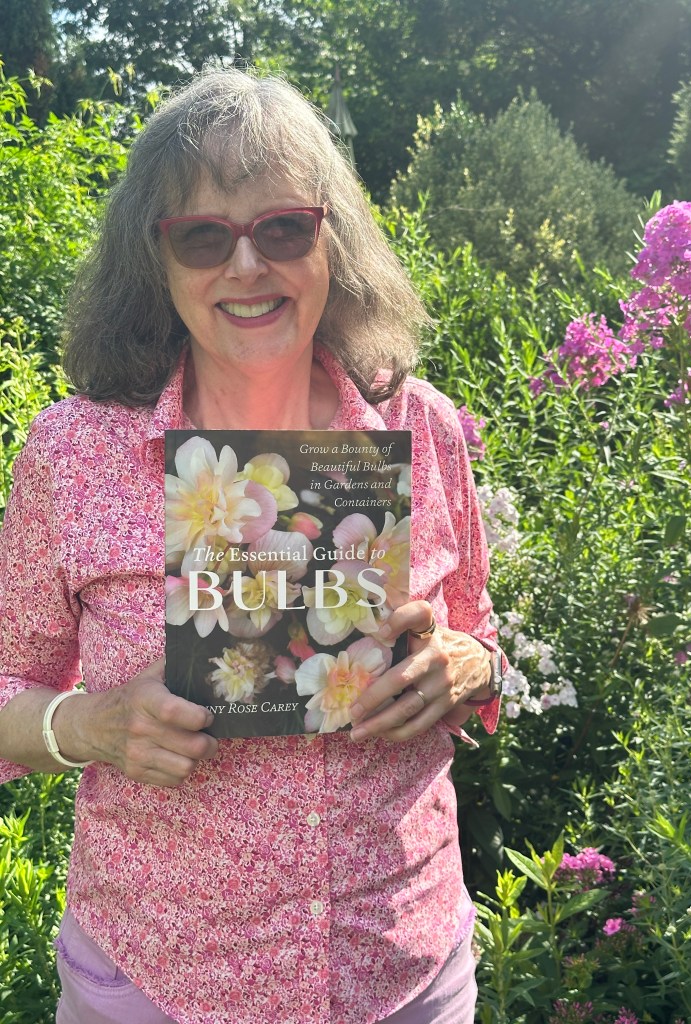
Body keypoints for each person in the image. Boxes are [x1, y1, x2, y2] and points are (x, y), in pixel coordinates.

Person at [0, 68, 503, 1024]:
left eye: (282, 229)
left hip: (398, 967)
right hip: (157, 978)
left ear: (330, 244)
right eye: (202, 237)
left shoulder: (421, 429)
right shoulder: (75, 453)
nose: (246, 268)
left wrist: (466, 667)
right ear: (156, 263)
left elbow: (480, 634)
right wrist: (90, 724)